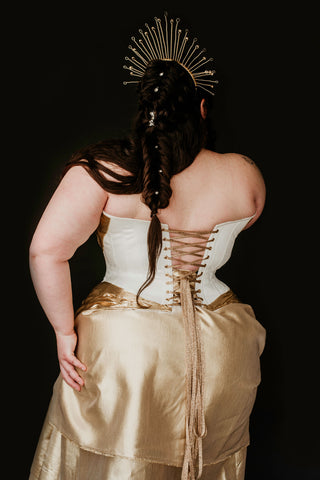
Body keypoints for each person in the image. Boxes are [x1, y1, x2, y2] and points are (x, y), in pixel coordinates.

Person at [29, 13, 266, 480]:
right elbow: (249, 218)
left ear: (145, 109)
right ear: (200, 109)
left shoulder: (102, 169)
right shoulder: (245, 174)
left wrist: (63, 332)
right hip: (224, 354)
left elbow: (45, 251)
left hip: (126, 349)